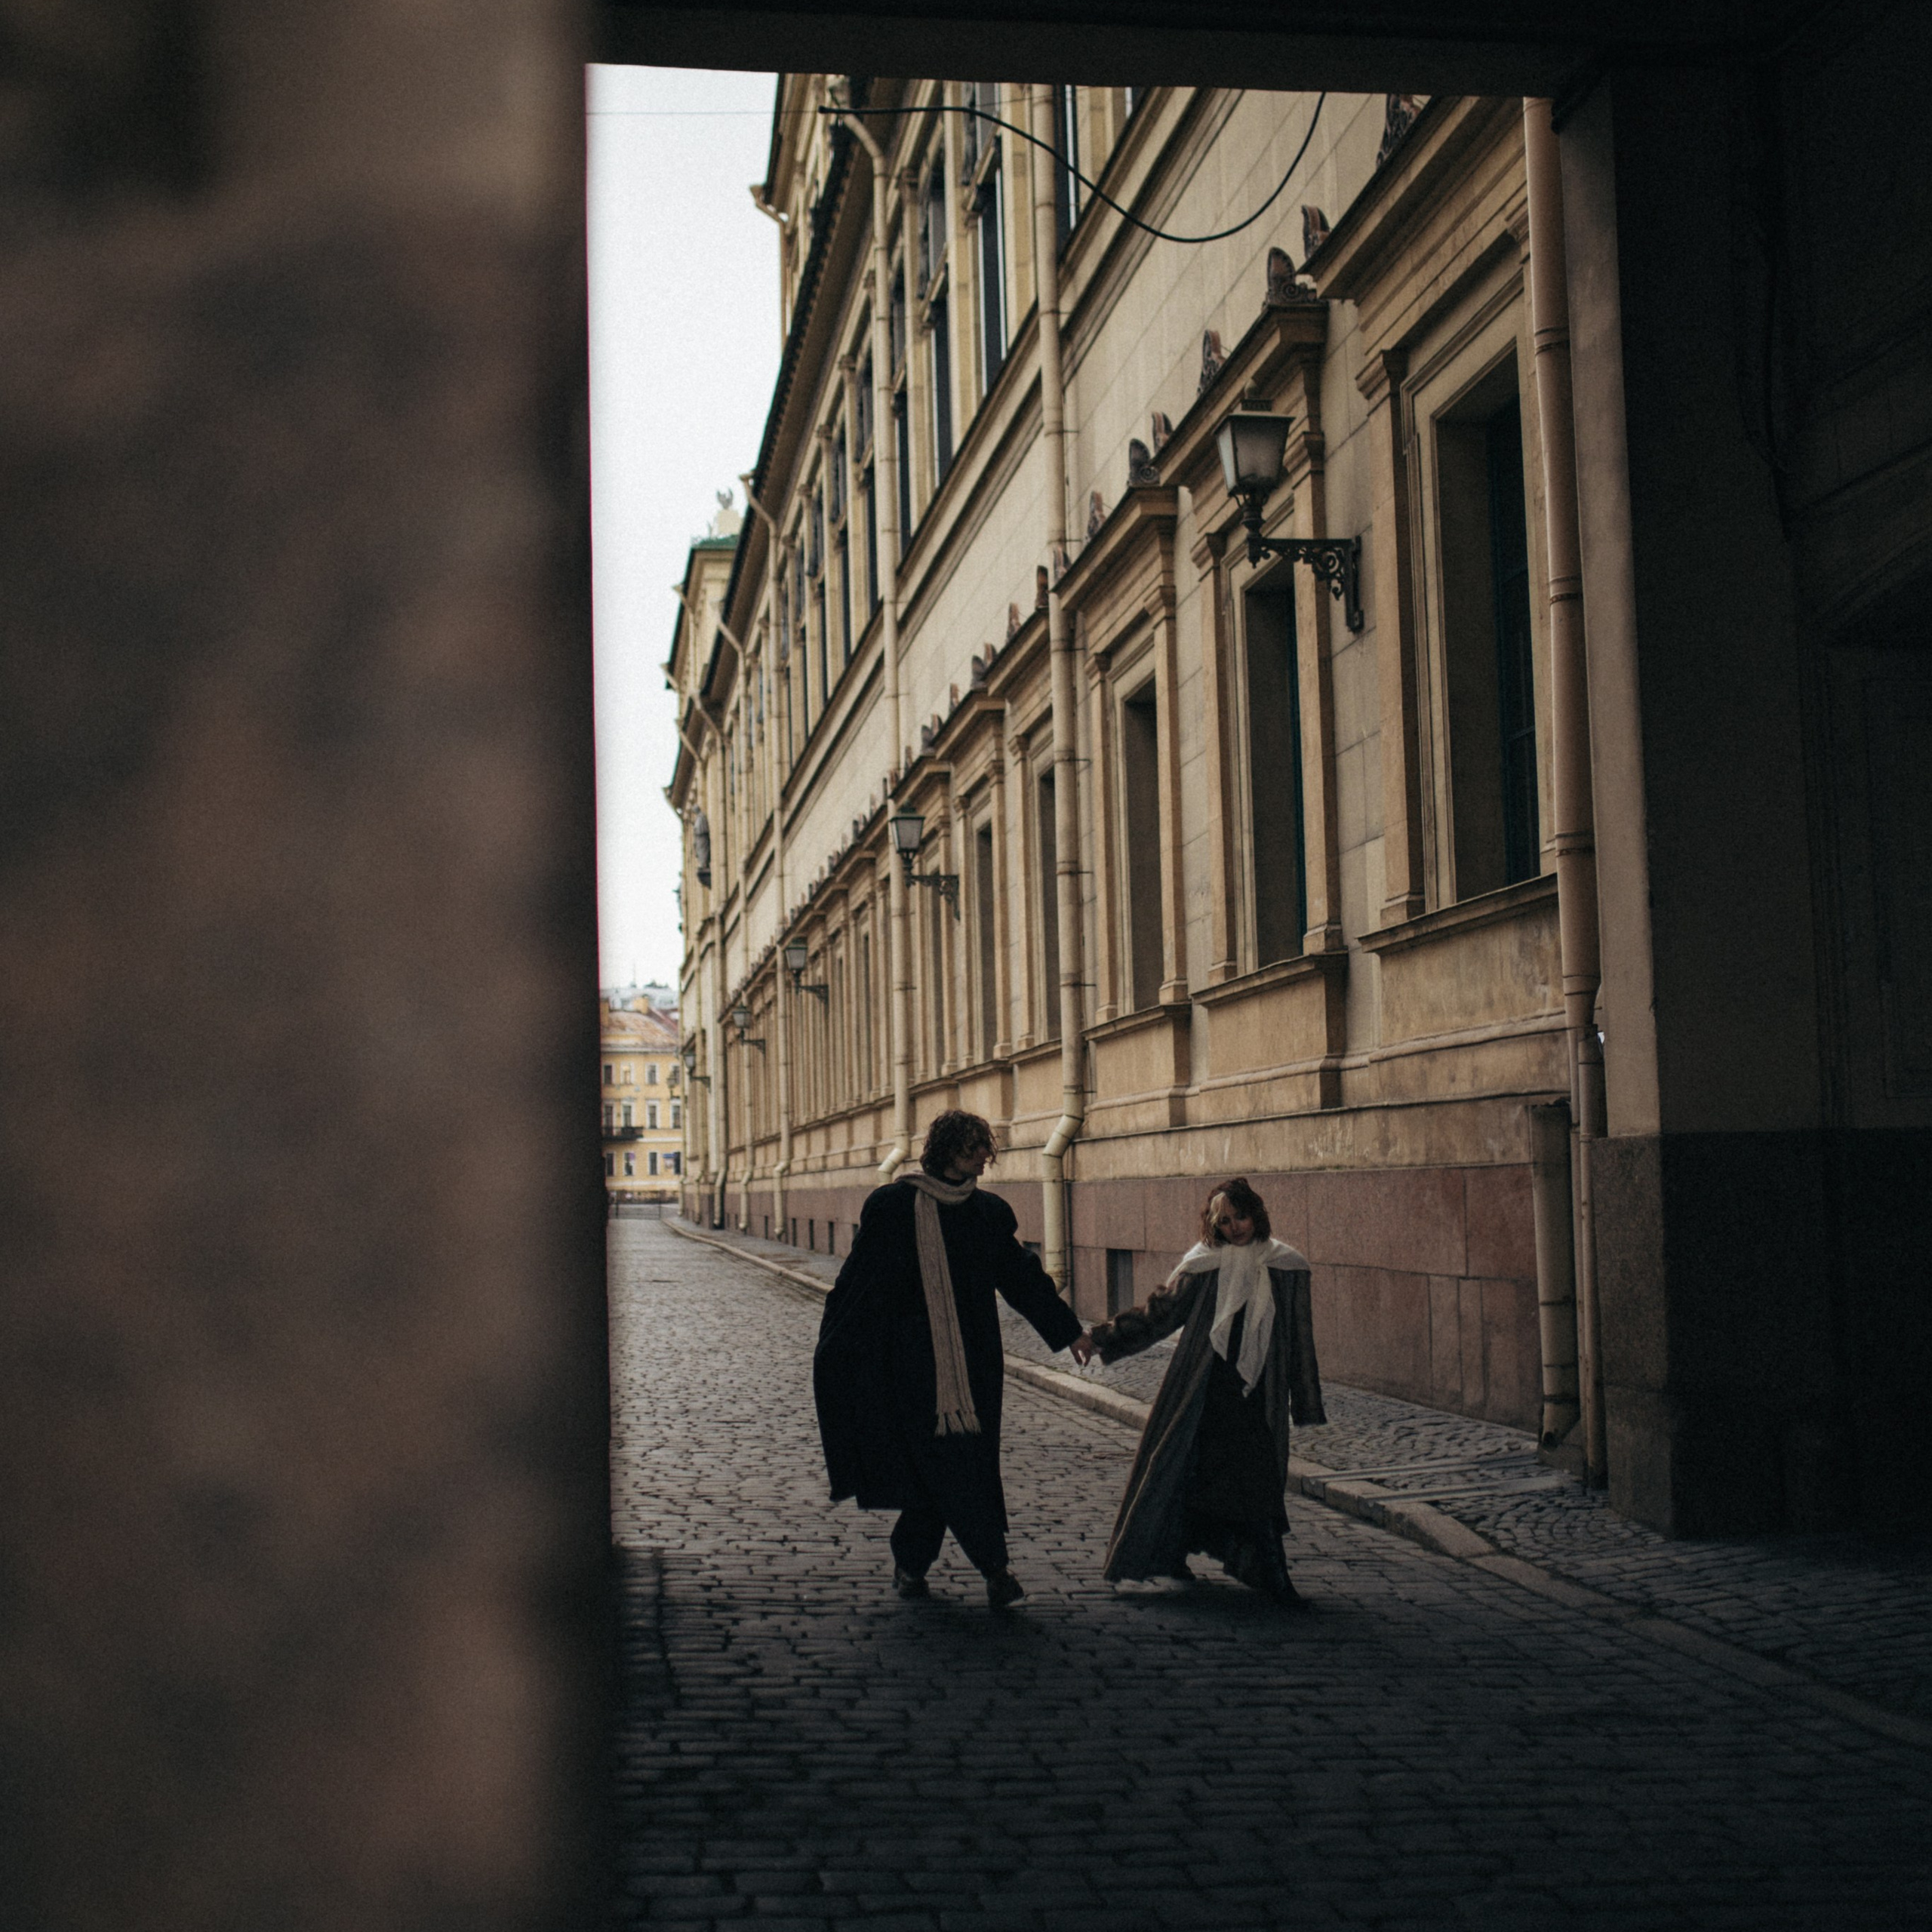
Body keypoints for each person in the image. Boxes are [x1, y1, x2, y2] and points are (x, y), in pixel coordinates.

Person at [813, 1110, 1094, 1608]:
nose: (985, 1156)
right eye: (974, 1146)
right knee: (951, 1469)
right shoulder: (894, 1207)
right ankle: (996, 1571)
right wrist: (842, 1350)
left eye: (986, 1147)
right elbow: (859, 1283)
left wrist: (1069, 1331)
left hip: (973, 1366)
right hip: (911, 1367)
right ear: (947, 1150)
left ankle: (911, 1563)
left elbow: (1022, 1279)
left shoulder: (986, 1214)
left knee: (958, 1467)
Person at [1090, 1178, 1325, 1605]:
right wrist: (1105, 1336)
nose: (1235, 1228)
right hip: (1203, 1388)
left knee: (1258, 1479)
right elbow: (1160, 1312)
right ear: (1213, 1226)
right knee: (1187, 1468)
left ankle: (1272, 1571)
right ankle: (1171, 1553)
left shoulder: (1287, 1265)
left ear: (1257, 1214)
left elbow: (1299, 1338)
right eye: (1225, 1221)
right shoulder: (1204, 1263)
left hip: (1256, 1392)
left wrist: (1305, 1400)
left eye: (1241, 1217)